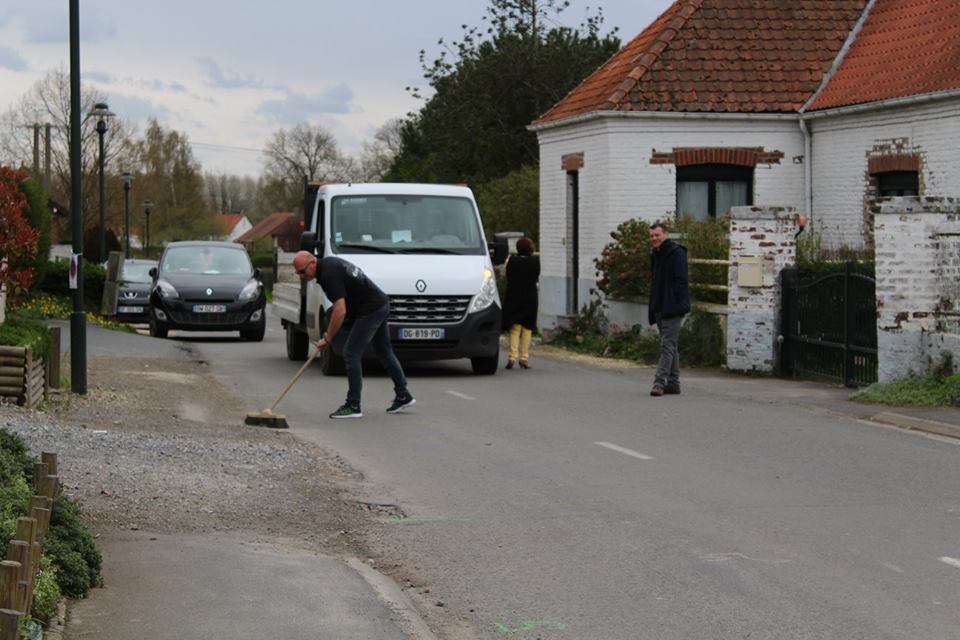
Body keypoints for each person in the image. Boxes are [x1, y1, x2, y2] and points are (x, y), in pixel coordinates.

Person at [292, 251, 415, 419]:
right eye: (298, 272)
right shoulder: (328, 265)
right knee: (383, 351)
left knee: (351, 353)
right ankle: (403, 395)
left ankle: (353, 405)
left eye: (302, 271)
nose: (301, 275)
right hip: (380, 304)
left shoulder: (328, 274)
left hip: (371, 310)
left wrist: (328, 338)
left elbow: (340, 310)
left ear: (312, 262)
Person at [647, 222, 690, 397]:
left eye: (657, 235)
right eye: (651, 236)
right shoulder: (655, 255)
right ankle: (673, 383)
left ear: (666, 234)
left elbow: (681, 281)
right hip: (659, 305)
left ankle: (659, 383)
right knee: (670, 346)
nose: (654, 239)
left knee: (667, 346)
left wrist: (677, 303)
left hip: (672, 307)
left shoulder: (677, 253)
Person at [501, 237, 540, 370]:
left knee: (515, 328)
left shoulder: (512, 261)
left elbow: (508, 276)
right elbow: (536, 276)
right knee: (527, 329)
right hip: (530, 297)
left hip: (514, 296)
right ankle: (524, 358)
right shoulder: (535, 261)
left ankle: (512, 357)